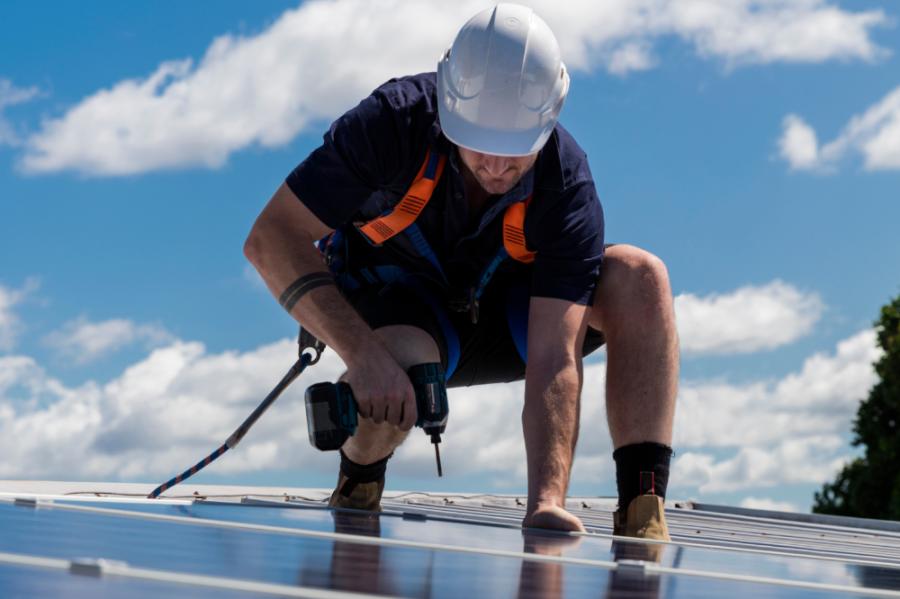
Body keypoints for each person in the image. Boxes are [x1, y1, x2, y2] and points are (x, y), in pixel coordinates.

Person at [244, 3, 678, 538]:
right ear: (449, 107)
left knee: (640, 276)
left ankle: (643, 509)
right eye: (480, 144)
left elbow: (553, 358)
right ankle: (359, 481)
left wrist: (546, 502)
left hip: (512, 321)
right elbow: (270, 238)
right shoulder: (392, 123)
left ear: (549, 119)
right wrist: (362, 353)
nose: (496, 166)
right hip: (400, 309)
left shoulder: (566, 184)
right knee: (402, 361)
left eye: (514, 151)